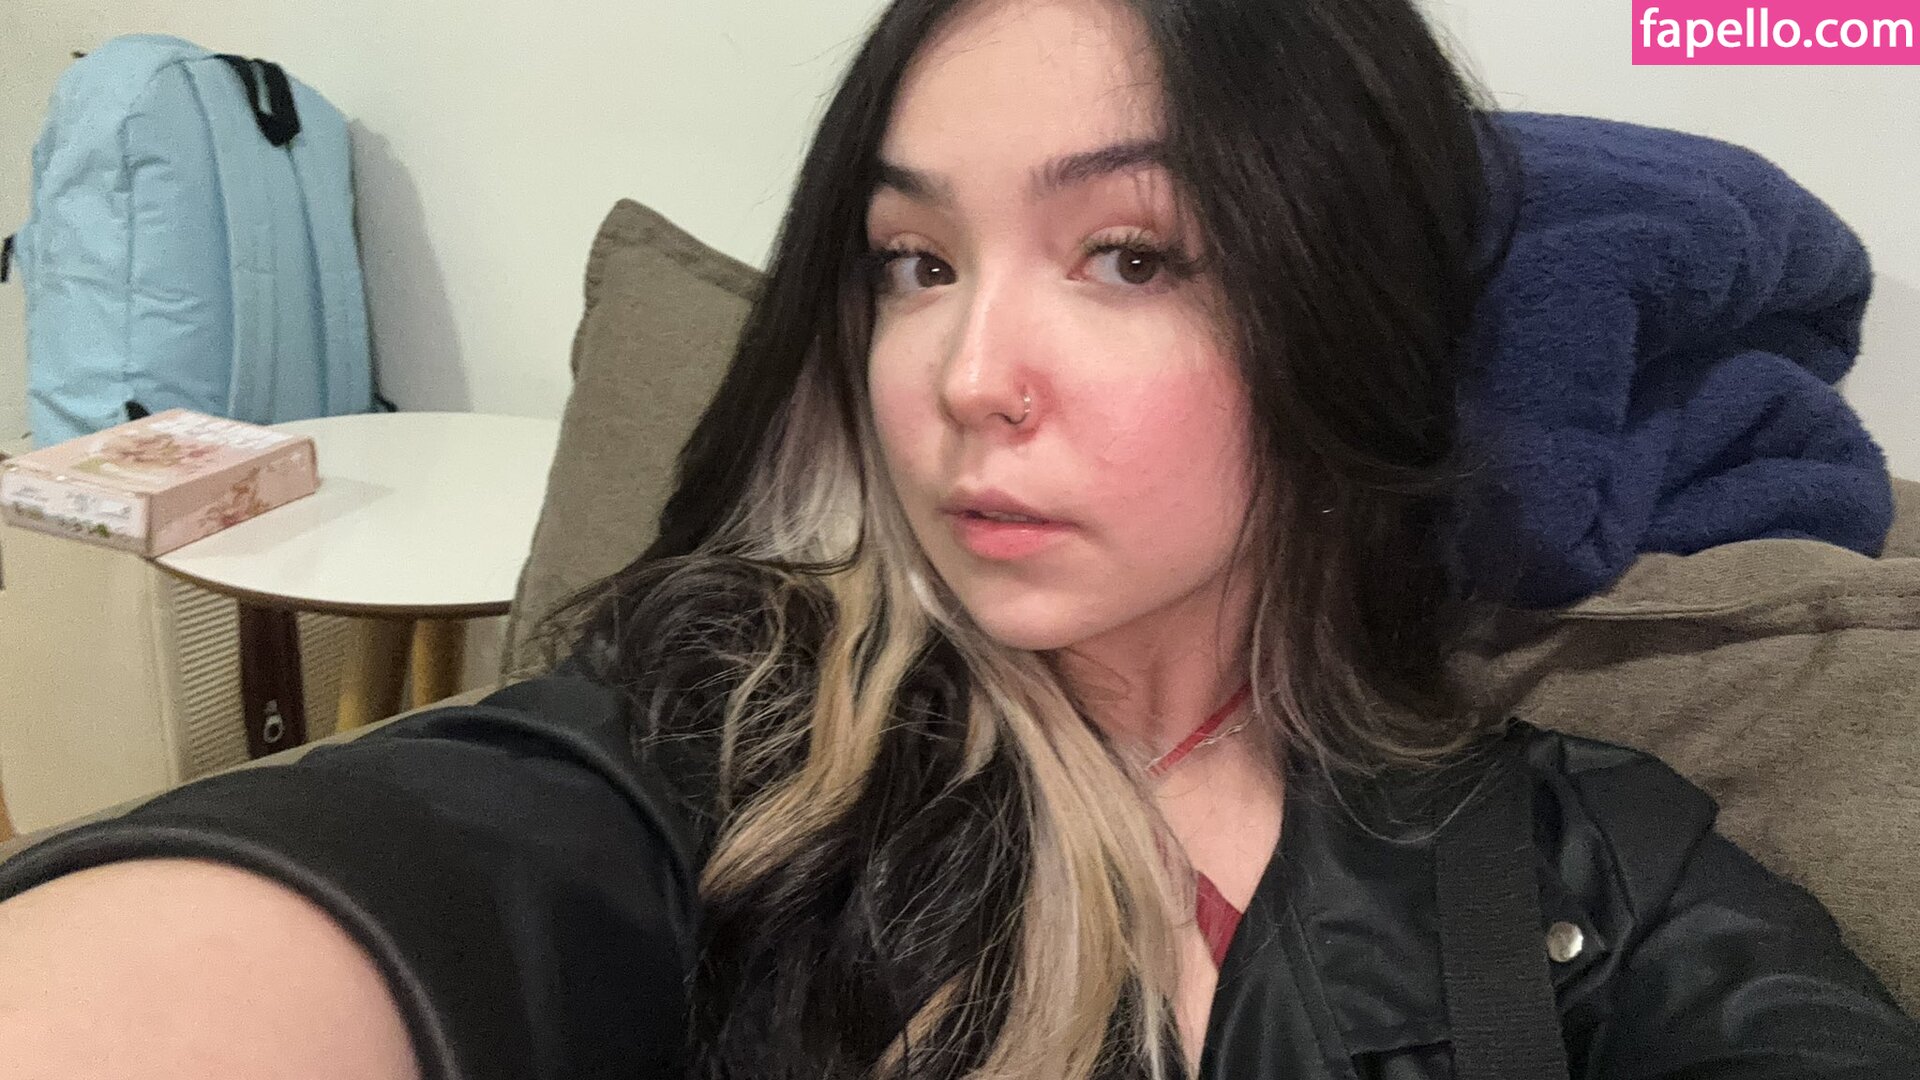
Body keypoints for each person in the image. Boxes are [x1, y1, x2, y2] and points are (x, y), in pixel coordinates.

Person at [2, 0, 1917, 1077]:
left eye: (1132, 254)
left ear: (1349, 316)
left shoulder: (1583, 862)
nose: (966, 374)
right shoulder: (744, 724)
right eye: (912, 261)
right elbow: (422, 869)